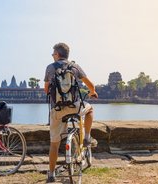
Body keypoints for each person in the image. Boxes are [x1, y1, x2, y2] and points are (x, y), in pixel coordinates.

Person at [44, 43, 98, 182]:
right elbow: (91, 85)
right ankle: (87, 137)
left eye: (53, 54)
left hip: (57, 110)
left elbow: (46, 90)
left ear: (57, 54)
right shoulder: (75, 67)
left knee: (54, 143)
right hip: (75, 106)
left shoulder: (50, 68)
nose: (52, 56)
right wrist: (92, 92)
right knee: (90, 109)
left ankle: (51, 174)